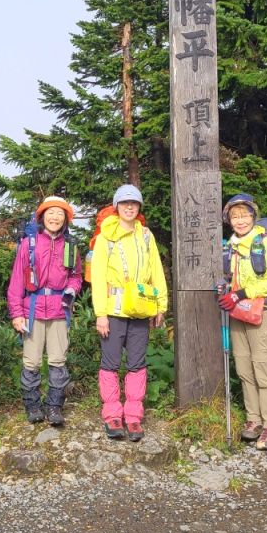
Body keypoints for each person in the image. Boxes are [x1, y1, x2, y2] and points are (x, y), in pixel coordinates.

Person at [90, 184, 168, 441]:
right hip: (113, 310)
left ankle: (133, 416)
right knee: (110, 364)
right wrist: (100, 313)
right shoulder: (105, 238)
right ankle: (112, 414)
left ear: (139, 207)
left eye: (134, 203)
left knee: (136, 364)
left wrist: (161, 305)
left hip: (141, 310)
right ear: (117, 207)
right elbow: (99, 278)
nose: (129, 207)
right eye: (124, 203)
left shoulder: (146, 235)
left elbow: (156, 271)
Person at [7, 196, 83, 426]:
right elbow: (16, 282)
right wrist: (17, 313)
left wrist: (71, 290)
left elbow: (76, 276)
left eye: (60, 214)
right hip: (33, 309)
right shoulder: (29, 245)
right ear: (41, 217)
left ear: (66, 219)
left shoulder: (70, 246)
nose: (55, 217)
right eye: (50, 213)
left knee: (58, 360)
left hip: (60, 310)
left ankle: (54, 406)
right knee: (31, 361)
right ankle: (33, 406)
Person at [216, 194, 267, 450]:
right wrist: (224, 287)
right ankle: (254, 420)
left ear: (253, 217)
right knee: (244, 370)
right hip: (237, 313)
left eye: (245, 215)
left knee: (263, 368)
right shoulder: (229, 246)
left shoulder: (263, 243)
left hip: (260, 311)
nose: (240, 220)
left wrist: (240, 293)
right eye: (235, 217)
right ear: (229, 221)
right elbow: (228, 278)